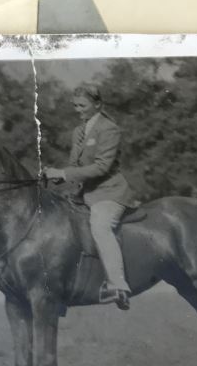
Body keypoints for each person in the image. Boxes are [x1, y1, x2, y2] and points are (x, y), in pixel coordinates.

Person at [43, 84, 136, 310]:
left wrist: (64, 173)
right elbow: (75, 165)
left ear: (97, 104)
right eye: (75, 105)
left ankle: (118, 285)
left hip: (109, 193)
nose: (78, 110)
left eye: (82, 105)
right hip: (83, 194)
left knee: (101, 226)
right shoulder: (79, 131)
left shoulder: (109, 129)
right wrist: (58, 176)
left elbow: (102, 167)